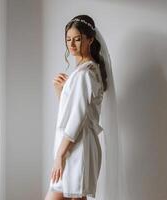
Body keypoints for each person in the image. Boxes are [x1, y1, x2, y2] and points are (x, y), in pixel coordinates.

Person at [45, 15, 108, 200]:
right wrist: (61, 92)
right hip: (78, 147)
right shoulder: (87, 70)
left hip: (76, 149)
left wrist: (60, 155)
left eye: (77, 39)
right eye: (68, 39)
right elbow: (76, 112)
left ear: (90, 39)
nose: (71, 44)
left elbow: (76, 120)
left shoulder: (84, 75)